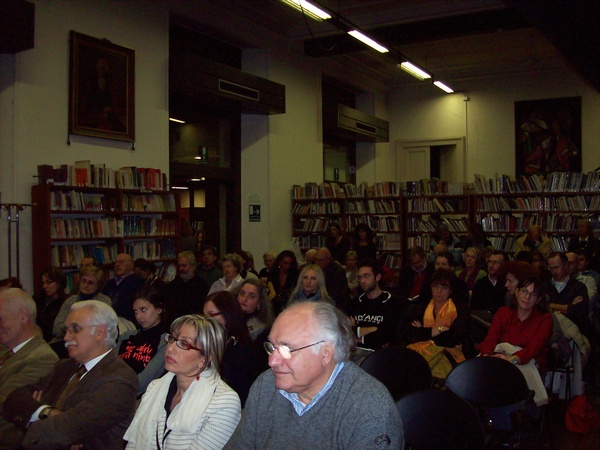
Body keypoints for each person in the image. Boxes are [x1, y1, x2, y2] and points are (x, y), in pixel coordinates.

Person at [224, 302, 404, 449]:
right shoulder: (266, 385)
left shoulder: (369, 406)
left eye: (287, 349)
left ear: (326, 353)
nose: (272, 361)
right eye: (272, 347)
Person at [2, 300, 139, 449]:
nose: (66, 337)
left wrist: (33, 415)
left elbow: (62, 432)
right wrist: (46, 411)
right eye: (65, 331)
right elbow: (13, 400)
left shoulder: (120, 380)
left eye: (75, 329)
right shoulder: (64, 366)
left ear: (100, 332)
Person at [124, 314, 241, 449]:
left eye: (184, 344)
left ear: (205, 357)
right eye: (172, 339)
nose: (171, 348)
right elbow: (133, 443)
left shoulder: (224, 402)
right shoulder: (155, 386)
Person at [0, 289, 58, 449]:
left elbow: (5, 405)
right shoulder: (7, 350)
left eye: (1, 319)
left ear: (23, 316)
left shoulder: (41, 358)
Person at [403, 268, 471, 376]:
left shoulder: (461, 309)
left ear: (451, 290)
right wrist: (437, 330)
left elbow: (454, 338)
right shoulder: (420, 309)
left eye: (444, 287)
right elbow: (409, 334)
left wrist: (424, 332)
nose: (439, 291)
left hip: (448, 357)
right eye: (435, 286)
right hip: (422, 355)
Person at [478, 277, 553, 373]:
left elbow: (533, 349)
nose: (527, 297)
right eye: (524, 291)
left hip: (527, 363)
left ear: (538, 300)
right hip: (500, 359)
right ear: (517, 292)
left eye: (533, 294)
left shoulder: (545, 319)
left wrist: (511, 361)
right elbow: (491, 339)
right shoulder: (503, 313)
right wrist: (486, 357)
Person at [203, 291, 257, 407]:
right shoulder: (209, 340)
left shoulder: (241, 348)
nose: (204, 321)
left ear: (227, 315)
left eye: (211, 315)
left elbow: (236, 389)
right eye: (204, 315)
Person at [118, 286, 168, 394]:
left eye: (143, 310)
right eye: (135, 312)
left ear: (159, 309)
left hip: (135, 396)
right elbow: (108, 368)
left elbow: (144, 382)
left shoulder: (166, 342)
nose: (139, 316)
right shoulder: (126, 336)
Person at [349, 259, 406, 350]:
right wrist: (374, 329)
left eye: (366, 276)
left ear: (378, 277)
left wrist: (358, 336)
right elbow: (346, 332)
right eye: (360, 277)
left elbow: (388, 334)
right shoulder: (355, 302)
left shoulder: (391, 302)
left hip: (379, 354)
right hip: (355, 352)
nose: (362, 281)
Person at [52, 265, 113, 341]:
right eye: (83, 281)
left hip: (93, 343)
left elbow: (103, 328)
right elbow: (57, 327)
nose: (85, 285)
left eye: (90, 283)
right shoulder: (71, 300)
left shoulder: (104, 302)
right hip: (67, 340)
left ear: (98, 285)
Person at [546, 251, 590, 335]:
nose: (553, 272)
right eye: (551, 268)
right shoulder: (544, 287)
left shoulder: (579, 287)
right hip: (550, 332)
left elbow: (579, 312)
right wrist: (569, 306)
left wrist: (551, 306)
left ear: (566, 265)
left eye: (556, 267)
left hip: (575, 332)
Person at [164, 250, 209, 322]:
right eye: (179, 266)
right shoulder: (172, 286)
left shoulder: (202, 286)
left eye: (184, 265)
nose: (181, 268)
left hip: (194, 323)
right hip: (175, 323)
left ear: (193, 266)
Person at [102, 253, 145, 323]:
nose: (117, 265)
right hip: (108, 319)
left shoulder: (137, 281)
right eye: (115, 262)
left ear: (131, 266)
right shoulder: (110, 283)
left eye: (121, 262)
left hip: (128, 322)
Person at [34, 266, 68, 342]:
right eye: (43, 283)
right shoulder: (37, 299)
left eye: (49, 282)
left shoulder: (65, 303)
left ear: (59, 283)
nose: (44, 286)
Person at [314, 247, 351, 313]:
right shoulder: (314, 269)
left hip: (336, 305)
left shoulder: (338, 271)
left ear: (328, 260)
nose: (317, 263)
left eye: (321, 260)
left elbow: (338, 293)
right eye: (316, 260)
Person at [470, 250, 508, 314]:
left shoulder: (507, 284)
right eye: (490, 262)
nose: (491, 265)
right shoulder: (480, 284)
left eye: (495, 262)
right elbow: (474, 308)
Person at [267, 250, 299, 315]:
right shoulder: (273, 273)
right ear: (279, 262)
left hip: (289, 306)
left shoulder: (295, 275)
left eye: (290, 264)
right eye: (285, 263)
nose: (288, 266)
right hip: (274, 307)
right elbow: (272, 293)